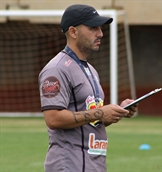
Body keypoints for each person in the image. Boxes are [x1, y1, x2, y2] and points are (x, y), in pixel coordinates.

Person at [38, 4, 137, 172]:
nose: (100, 33)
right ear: (73, 32)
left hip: (92, 163)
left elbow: (89, 121)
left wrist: (116, 111)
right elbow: (53, 119)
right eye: (93, 28)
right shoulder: (57, 69)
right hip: (68, 164)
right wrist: (100, 112)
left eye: (100, 28)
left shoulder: (90, 70)